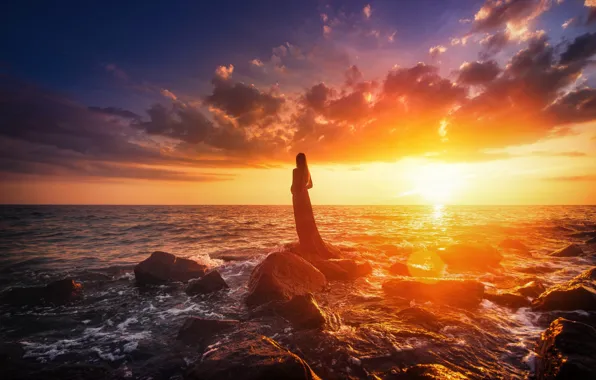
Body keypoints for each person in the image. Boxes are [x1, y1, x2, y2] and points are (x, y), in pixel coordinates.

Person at [291, 153, 339, 259]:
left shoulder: (295, 171)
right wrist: (304, 188)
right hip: (305, 196)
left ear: (297, 161)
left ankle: (305, 244)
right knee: (308, 220)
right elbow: (311, 185)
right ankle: (312, 244)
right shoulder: (307, 171)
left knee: (300, 220)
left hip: (298, 196)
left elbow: (294, 185)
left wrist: (295, 191)